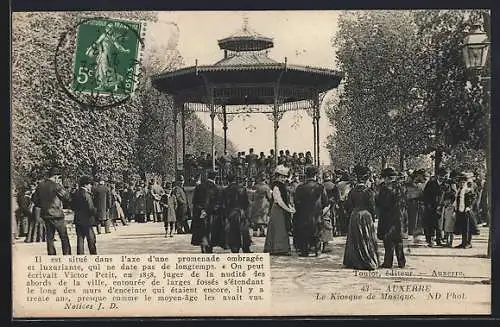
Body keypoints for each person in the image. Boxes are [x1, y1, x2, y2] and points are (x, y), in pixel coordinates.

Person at [343, 165, 379, 270]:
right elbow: (372, 206)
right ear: (367, 179)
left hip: (354, 215)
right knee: (366, 237)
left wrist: (352, 213)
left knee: (354, 239)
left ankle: (353, 261)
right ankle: (367, 260)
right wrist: (372, 216)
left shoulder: (352, 191)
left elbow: (348, 205)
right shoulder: (368, 192)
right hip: (365, 215)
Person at [31, 167, 72, 255]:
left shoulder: (40, 185)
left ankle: (51, 256)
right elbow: (67, 197)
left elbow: (35, 199)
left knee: (50, 238)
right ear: (56, 177)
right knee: (64, 237)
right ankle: (67, 256)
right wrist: (62, 187)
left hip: (46, 215)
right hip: (57, 215)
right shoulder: (56, 186)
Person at [293, 165, 329, 257]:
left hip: (303, 216)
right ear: (316, 175)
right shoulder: (320, 187)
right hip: (316, 215)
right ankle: (317, 250)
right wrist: (321, 213)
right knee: (316, 232)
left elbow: (296, 202)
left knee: (304, 232)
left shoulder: (300, 187)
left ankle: (305, 250)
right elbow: (326, 203)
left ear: (306, 174)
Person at [377, 167, 406, 269]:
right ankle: (401, 262)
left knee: (388, 240)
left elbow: (382, 203)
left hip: (388, 216)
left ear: (386, 178)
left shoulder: (386, 189)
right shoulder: (400, 187)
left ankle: (388, 262)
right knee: (398, 240)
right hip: (398, 216)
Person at [191, 170, 226, 253]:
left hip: (200, 213)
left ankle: (203, 247)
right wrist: (209, 211)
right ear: (215, 178)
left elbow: (194, 201)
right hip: (212, 215)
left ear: (207, 177)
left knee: (201, 231)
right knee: (211, 232)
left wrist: (201, 211)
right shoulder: (217, 188)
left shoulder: (199, 187)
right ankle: (209, 248)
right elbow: (219, 204)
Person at [264, 165, 295, 256]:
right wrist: (288, 209)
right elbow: (278, 200)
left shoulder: (282, 186)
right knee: (278, 228)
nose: (283, 179)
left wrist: (289, 207)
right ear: (277, 176)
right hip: (278, 210)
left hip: (282, 209)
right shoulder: (276, 186)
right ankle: (277, 249)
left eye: (284, 177)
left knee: (282, 228)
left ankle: (281, 248)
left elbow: (285, 199)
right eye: (281, 177)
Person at [223, 173, 252, 253]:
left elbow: (224, 204)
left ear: (227, 180)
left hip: (231, 213)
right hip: (241, 211)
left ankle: (234, 247)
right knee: (244, 230)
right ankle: (246, 247)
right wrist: (246, 213)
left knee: (233, 231)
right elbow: (246, 203)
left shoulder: (225, 190)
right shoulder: (242, 189)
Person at [72, 176, 98, 255]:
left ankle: (80, 255)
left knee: (80, 239)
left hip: (78, 219)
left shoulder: (75, 193)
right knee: (91, 240)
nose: (91, 186)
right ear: (86, 185)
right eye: (90, 184)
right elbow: (90, 208)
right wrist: (95, 211)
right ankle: (93, 255)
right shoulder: (87, 195)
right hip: (87, 220)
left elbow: (72, 206)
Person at [422, 168, 448, 247]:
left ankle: (439, 240)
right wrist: (428, 204)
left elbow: (447, 196)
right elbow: (425, 195)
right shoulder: (431, 183)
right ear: (437, 176)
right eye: (441, 176)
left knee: (439, 224)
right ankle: (430, 240)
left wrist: (444, 204)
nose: (442, 178)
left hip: (441, 207)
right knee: (431, 224)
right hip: (431, 207)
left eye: (444, 176)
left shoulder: (445, 185)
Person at [454, 173, 476, 249]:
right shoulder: (459, 191)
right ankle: (463, 242)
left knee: (468, 227)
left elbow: (473, 199)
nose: (461, 183)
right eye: (460, 182)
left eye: (463, 182)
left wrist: (469, 207)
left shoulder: (468, 190)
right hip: (460, 211)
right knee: (463, 227)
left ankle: (468, 243)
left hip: (467, 211)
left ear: (466, 182)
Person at [250, 173, 272, 237]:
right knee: (262, 219)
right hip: (263, 204)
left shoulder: (255, 186)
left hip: (255, 204)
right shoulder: (266, 187)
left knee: (256, 218)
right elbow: (269, 197)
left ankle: (255, 232)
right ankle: (262, 232)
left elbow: (252, 196)